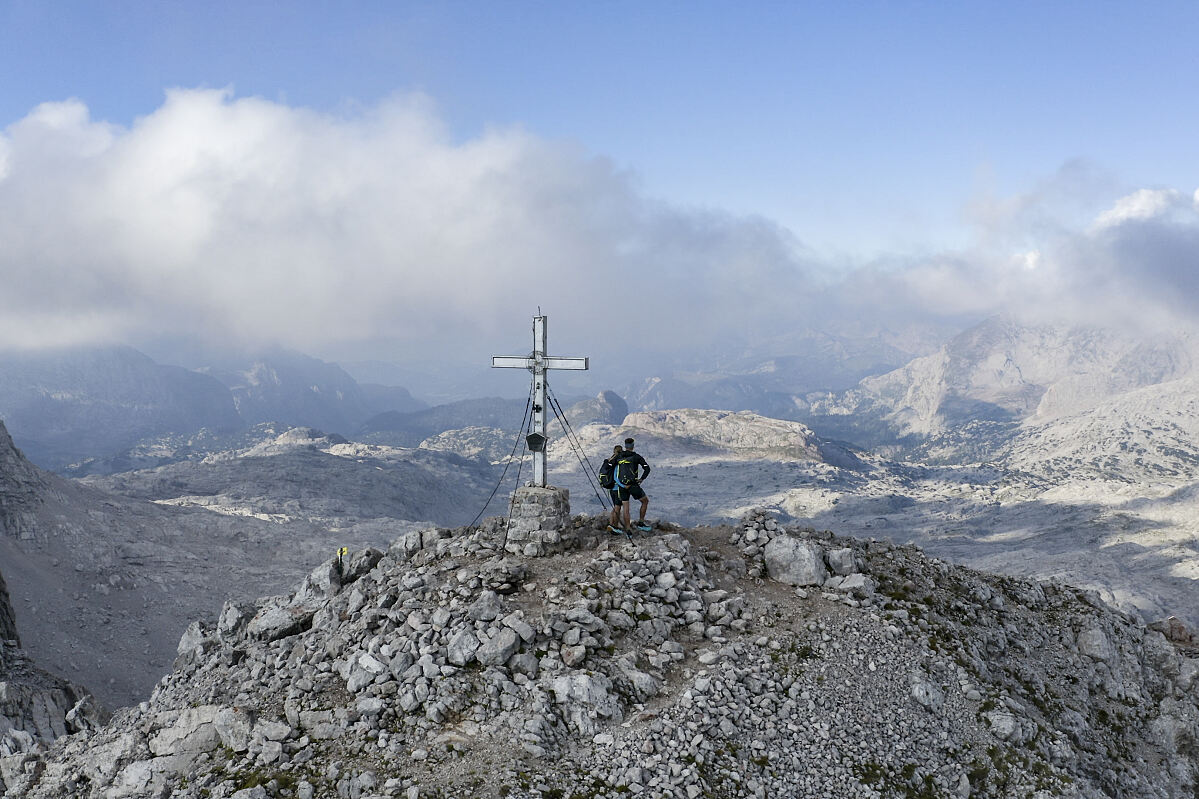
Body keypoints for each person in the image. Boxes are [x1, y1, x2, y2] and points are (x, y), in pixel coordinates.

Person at [614, 437, 651, 532]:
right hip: (633, 485)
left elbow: (611, 466)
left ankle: (628, 529)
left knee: (626, 508)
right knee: (645, 501)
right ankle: (641, 523)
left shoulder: (619, 456)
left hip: (622, 486)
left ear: (625, 446)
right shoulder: (636, 457)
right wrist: (642, 479)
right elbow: (647, 468)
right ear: (633, 446)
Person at [600, 445, 628, 534]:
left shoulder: (610, 461)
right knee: (617, 507)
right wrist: (623, 486)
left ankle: (611, 524)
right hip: (617, 488)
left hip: (611, 488)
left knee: (615, 506)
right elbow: (616, 477)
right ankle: (615, 526)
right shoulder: (617, 463)